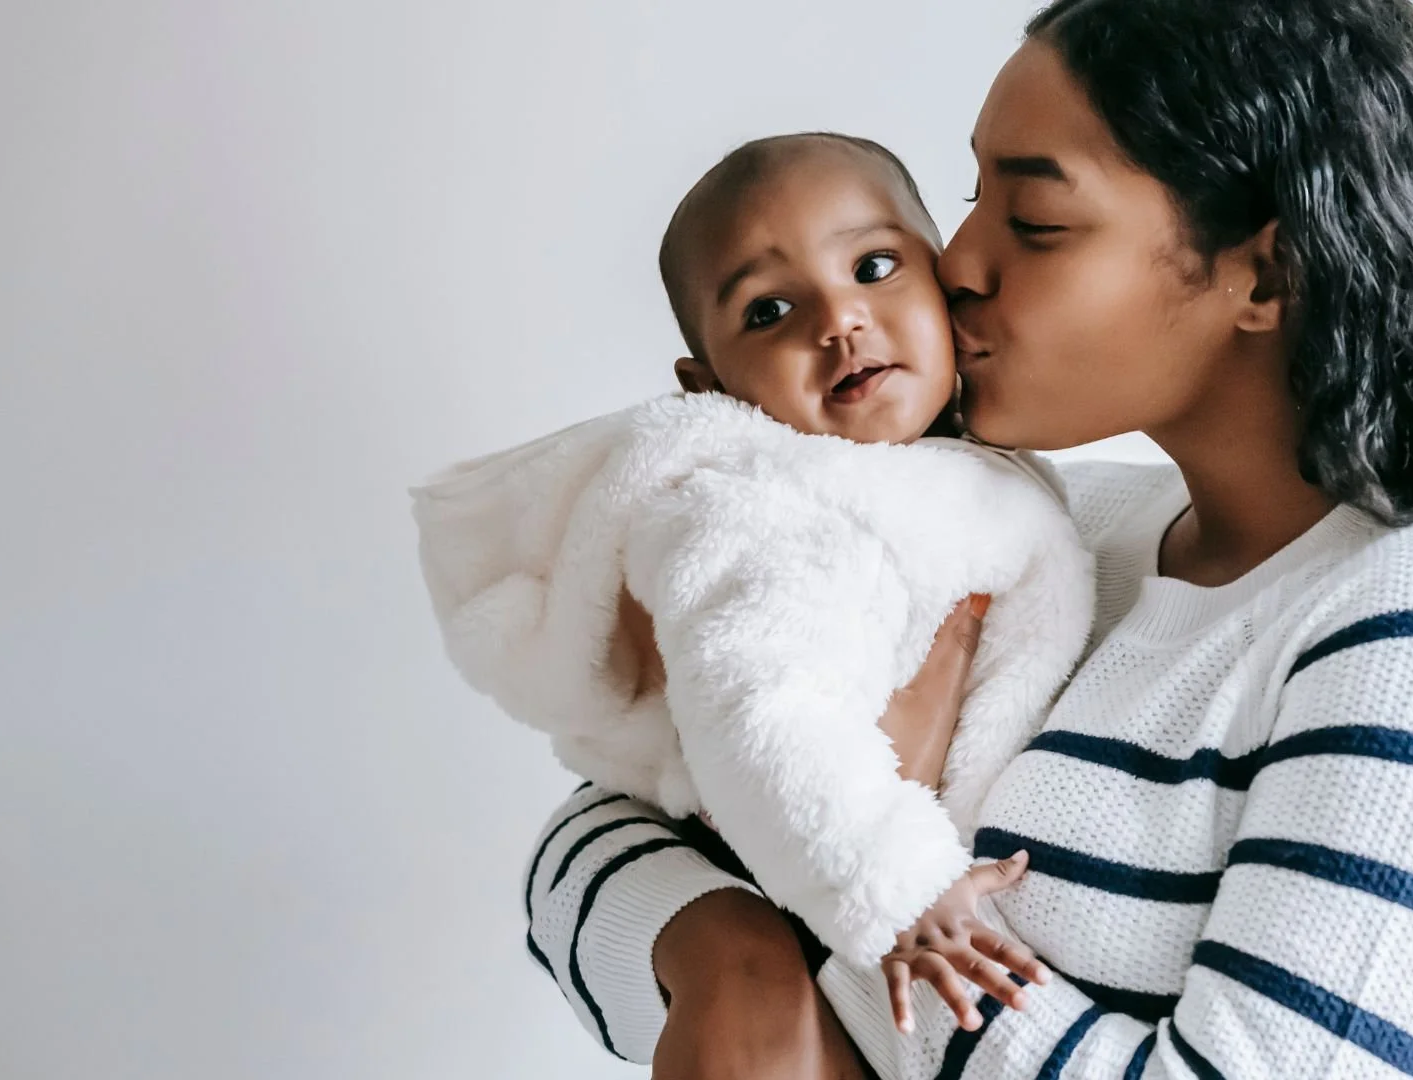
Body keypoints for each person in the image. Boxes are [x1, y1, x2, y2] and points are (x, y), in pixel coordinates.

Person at [523, 1, 1413, 1077]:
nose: (959, 263)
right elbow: (602, 822)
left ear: (1266, 272)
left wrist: (841, 910)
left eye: (1034, 221)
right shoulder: (1051, 530)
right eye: (973, 193)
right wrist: (731, 958)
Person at [416, 133, 1091, 979]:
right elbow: (762, 720)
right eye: (769, 311)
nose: (839, 319)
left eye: (874, 267)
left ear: (943, 280)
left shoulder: (982, 475)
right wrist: (902, 888)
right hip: (854, 915)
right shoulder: (754, 510)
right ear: (709, 388)